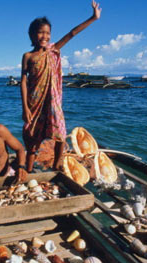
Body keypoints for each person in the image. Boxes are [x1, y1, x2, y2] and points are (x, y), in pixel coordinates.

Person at [21, 0, 101, 172]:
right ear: (32, 35)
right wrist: (25, 107)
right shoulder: (27, 56)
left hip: (52, 100)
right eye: (40, 33)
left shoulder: (54, 49)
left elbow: (72, 33)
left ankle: (57, 165)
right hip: (34, 102)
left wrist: (93, 18)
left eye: (47, 33)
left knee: (61, 133)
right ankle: (27, 171)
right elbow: (23, 81)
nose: (45, 36)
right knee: (31, 136)